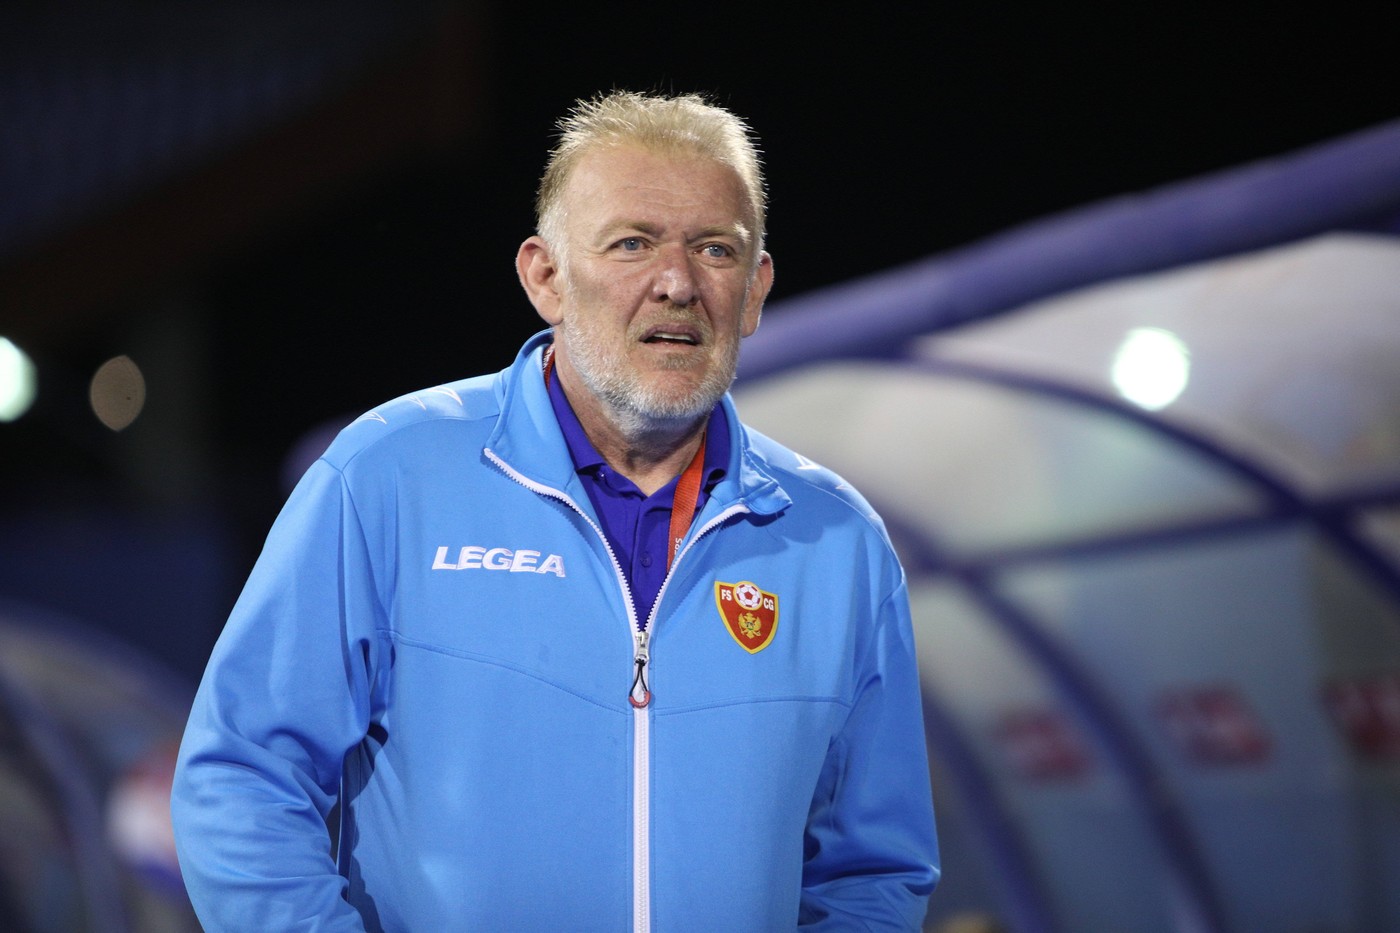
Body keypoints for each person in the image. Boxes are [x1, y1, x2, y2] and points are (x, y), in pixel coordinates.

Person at [171, 89, 939, 931]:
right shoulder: (388, 478)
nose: (677, 283)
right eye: (632, 243)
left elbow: (875, 869)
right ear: (546, 277)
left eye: (715, 249)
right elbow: (241, 777)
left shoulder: (836, 542)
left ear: (754, 291)